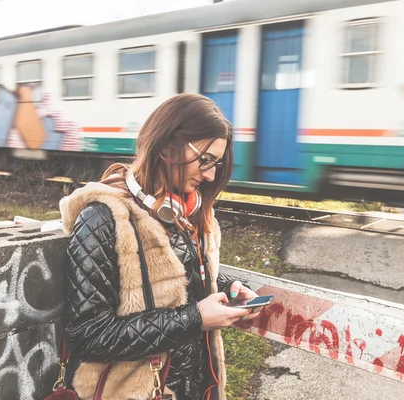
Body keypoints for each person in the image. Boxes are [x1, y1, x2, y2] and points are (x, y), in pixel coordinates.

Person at [58, 93, 261, 400]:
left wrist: (229, 288)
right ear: (167, 146)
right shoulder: (101, 220)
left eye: (217, 164)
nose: (210, 175)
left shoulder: (188, 213)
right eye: (205, 160)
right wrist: (194, 319)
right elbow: (88, 335)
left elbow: (174, 280)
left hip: (191, 389)